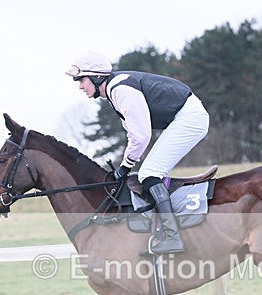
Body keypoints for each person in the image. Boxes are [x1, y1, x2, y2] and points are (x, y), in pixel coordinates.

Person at [66, 51, 210, 254]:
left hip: (190, 118)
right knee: (148, 173)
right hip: (184, 117)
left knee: (149, 174)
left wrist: (125, 166)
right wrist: (126, 164)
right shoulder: (114, 91)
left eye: (82, 80)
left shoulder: (120, 89)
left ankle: (173, 237)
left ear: (97, 76)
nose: (80, 86)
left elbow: (141, 136)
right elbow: (133, 134)